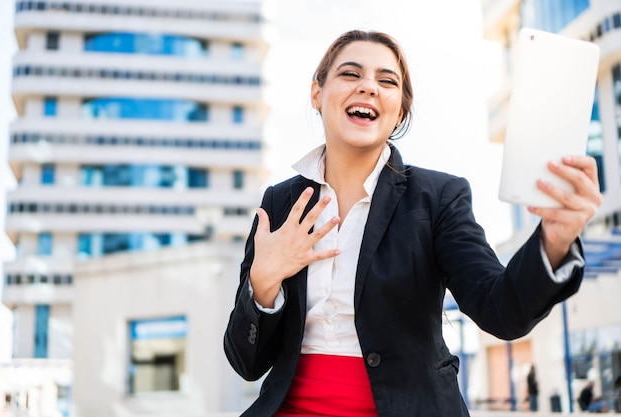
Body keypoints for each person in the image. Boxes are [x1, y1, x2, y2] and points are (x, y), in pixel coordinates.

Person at [223, 29, 603, 417]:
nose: (369, 87)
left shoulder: (438, 198)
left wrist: (554, 241)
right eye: (351, 74)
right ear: (317, 93)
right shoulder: (281, 203)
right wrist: (263, 283)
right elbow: (246, 361)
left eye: (387, 81)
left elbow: (501, 310)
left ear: (399, 111)